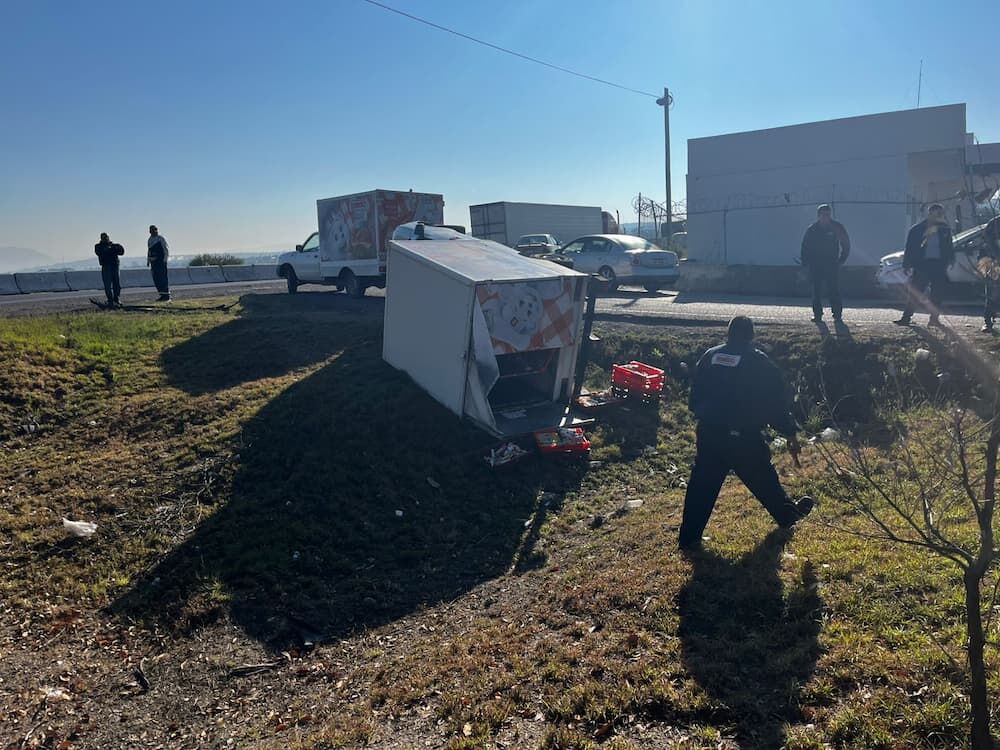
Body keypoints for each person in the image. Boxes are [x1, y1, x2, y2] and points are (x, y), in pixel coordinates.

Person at [678, 316, 814, 551]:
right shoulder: (757, 361)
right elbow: (775, 403)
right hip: (743, 437)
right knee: (764, 480)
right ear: (751, 336)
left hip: (709, 433)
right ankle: (788, 516)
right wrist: (789, 431)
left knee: (701, 486)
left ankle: (689, 538)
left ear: (728, 334)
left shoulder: (710, 356)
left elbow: (694, 397)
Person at [894, 204, 954, 327]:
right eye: (937, 213)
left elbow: (949, 246)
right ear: (930, 213)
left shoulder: (945, 229)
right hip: (922, 265)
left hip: (938, 264)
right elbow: (909, 247)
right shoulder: (917, 229)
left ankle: (934, 319)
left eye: (941, 213)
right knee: (916, 292)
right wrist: (907, 264)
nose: (939, 216)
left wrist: (950, 259)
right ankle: (906, 318)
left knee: (937, 293)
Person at [800, 204, 850, 323]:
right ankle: (817, 315)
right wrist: (805, 263)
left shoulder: (837, 227)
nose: (826, 217)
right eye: (823, 215)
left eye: (828, 214)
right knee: (816, 290)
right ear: (818, 216)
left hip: (831, 264)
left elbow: (845, 243)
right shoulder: (812, 229)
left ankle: (837, 314)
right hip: (815, 264)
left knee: (833, 289)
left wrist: (842, 259)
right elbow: (805, 246)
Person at [94, 232, 124, 308]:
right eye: (103, 237)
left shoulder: (114, 245)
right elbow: (101, 252)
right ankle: (110, 300)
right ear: (101, 239)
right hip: (106, 267)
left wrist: (113, 248)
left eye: (106, 237)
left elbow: (121, 252)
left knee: (116, 283)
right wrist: (110, 250)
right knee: (107, 285)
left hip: (115, 266)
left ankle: (116, 298)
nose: (105, 239)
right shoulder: (98, 246)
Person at [981, 216, 1000, 333]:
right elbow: (988, 243)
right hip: (994, 263)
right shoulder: (994, 224)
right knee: (993, 293)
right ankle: (988, 322)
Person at [147, 225, 170, 301]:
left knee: (162, 278)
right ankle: (162, 294)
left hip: (161, 261)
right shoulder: (150, 240)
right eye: (152, 230)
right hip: (153, 262)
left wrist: (165, 260)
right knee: (156, 278)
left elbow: (165, 249)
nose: (154, 231)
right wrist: (148, 261)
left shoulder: (160, 239)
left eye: (155, 230)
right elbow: (149, 251)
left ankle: (166, 295)